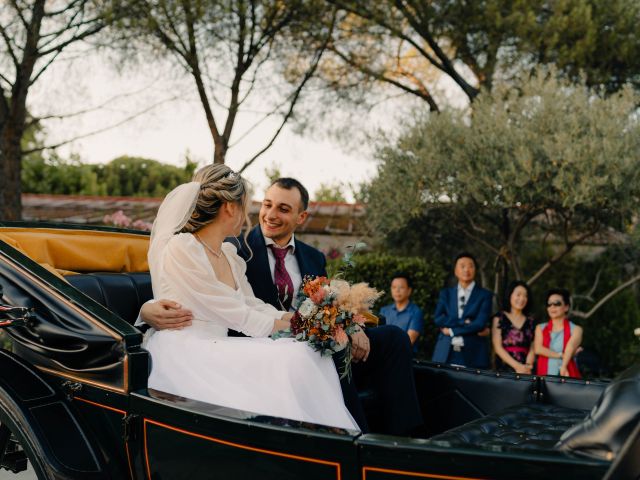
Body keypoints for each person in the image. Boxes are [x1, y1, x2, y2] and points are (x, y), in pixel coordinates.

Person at [141, 177, 423, 436]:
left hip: (299, 333)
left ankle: (407, 439)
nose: (270, 215)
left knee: (393, 338)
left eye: (283, 209)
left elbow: (323, 302)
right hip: (261, 342)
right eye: (266, 205)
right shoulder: (237, 247)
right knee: (328, 348)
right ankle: (359, 445)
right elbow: (188, 290)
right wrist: (147, 309)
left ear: (301, 217)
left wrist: (347, 323)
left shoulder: (313, 257)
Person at [431, 252, 492, 369]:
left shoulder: (485, 295)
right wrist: (463, 322)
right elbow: (438, 319)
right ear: (455, 270)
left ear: (475, 270)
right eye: (462, 266)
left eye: (470, 266)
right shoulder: (446, 294)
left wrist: (452, 331)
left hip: (474, 353)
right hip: (445, 352)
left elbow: (480, 324)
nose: (466, 269)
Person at [534, 288, 582, 378]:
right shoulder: (540, 328)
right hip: (544, 378)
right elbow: (538, 349)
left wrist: (563, 366)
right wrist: (562, 355)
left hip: (567, 375)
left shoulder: (576, 329)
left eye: (557, 303)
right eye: (549, 304)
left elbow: (570, 347)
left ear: (566, 307)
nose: (552, 307)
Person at [491, 280, 535, 374]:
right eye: (518, 295)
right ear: (510, 295)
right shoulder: (499, 318)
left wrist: (527, 366)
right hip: (504, 367)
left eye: (525, 296)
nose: (522, 298)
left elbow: (533, 346)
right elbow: (497, 347)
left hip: (526, 370)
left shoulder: (530, 321)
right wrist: (517, 366)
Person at [379, 273, 424, 352]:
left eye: (401, 287)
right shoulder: (384, 311)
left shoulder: (416, 312)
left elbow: (409, 340)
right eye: (394, 287)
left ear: (409, 290)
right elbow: (378, 336)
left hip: (403, 358)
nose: (397, 290)